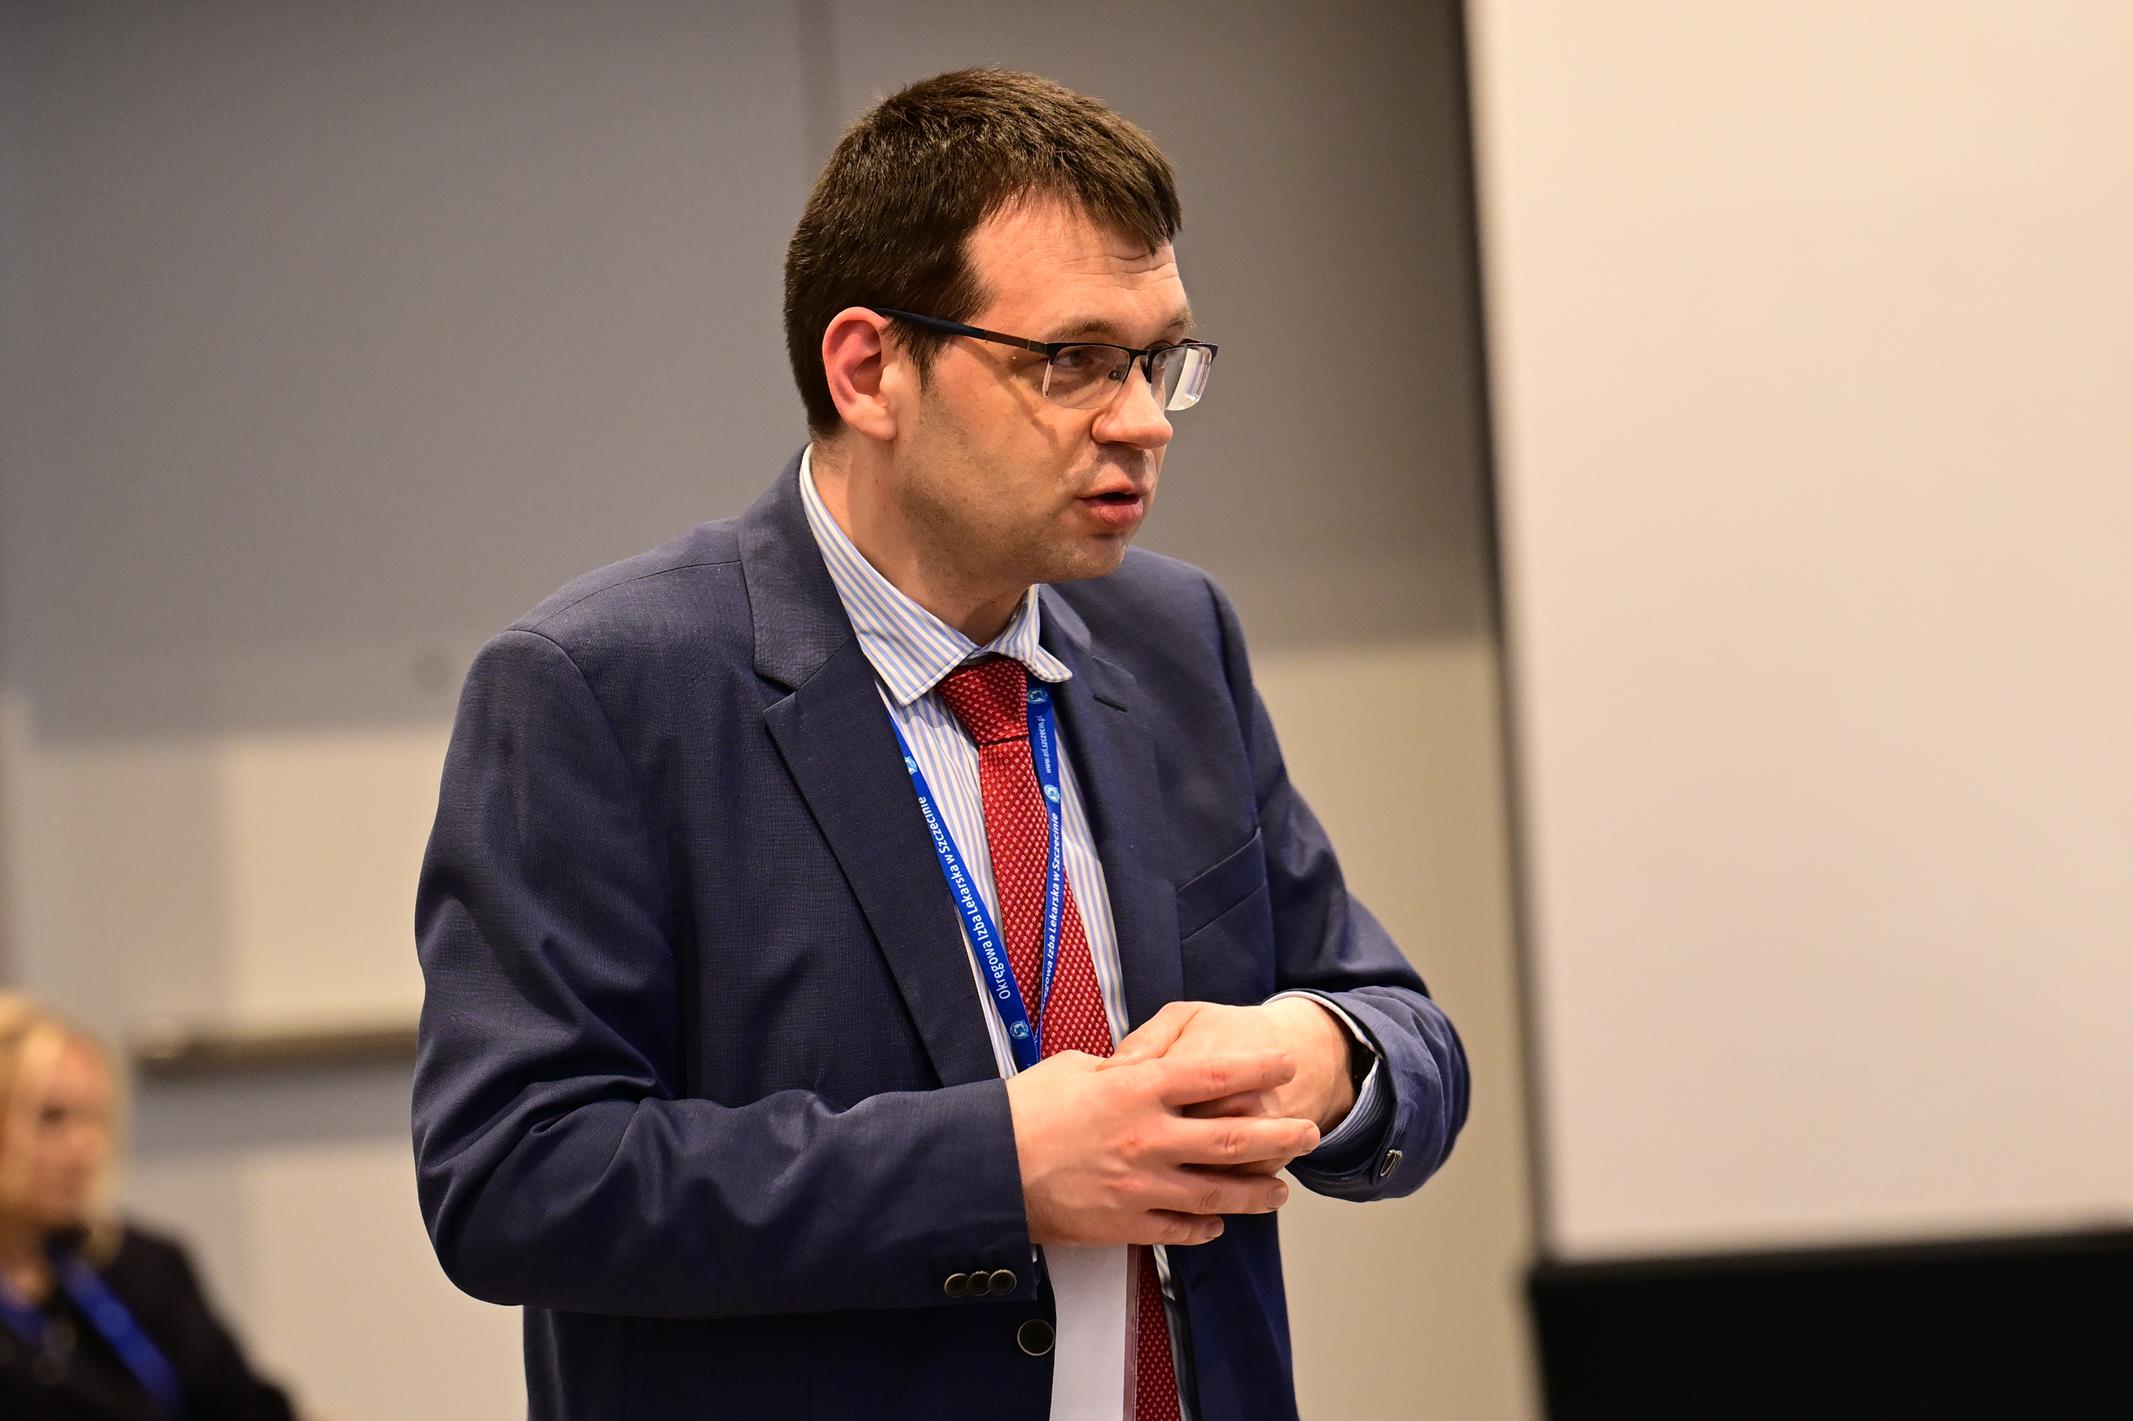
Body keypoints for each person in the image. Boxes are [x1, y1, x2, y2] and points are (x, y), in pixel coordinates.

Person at [412, 67, 1469, 1421]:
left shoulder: (1172, 636)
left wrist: (1320, 1053)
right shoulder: (603, 689)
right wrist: (995, 1166)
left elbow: (1404, 1028)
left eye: (1160, 359)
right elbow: (517, 1176)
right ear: (869, 370)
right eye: (1072, 360)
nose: (1143, 418)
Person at [0, 994, 298, 1421]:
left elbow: (249, 1407)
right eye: (52, 1118)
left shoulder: (139, 1266)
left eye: (94, 1119)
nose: (84, 1149)